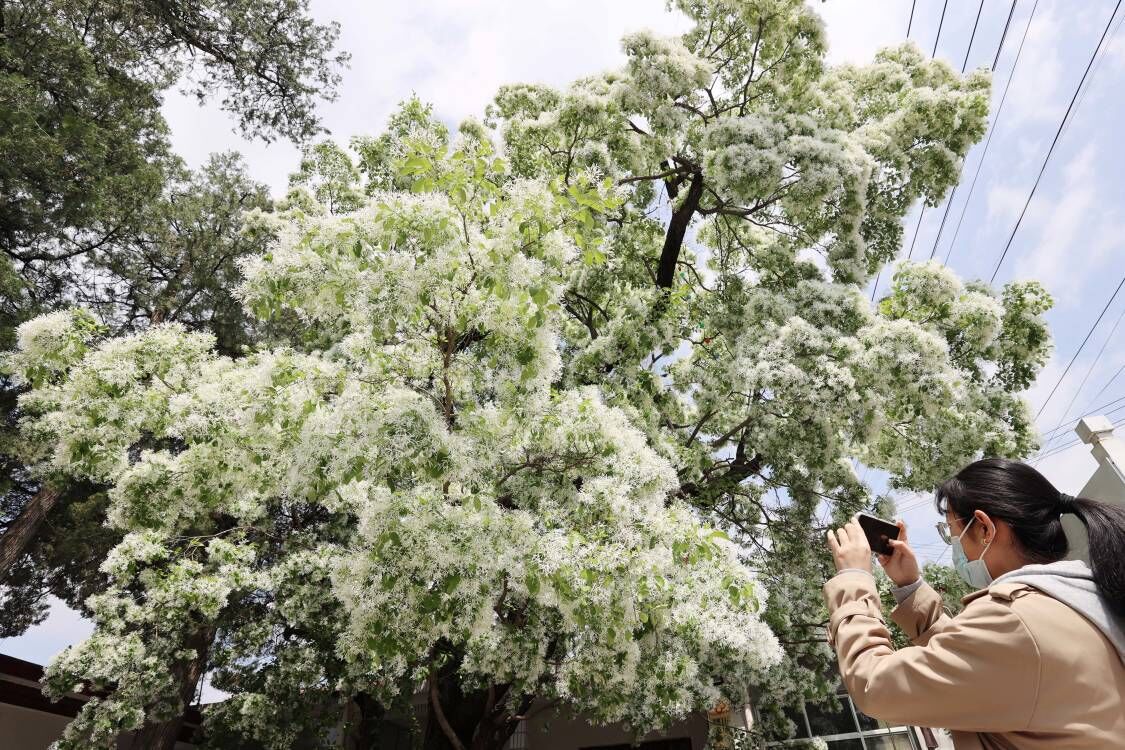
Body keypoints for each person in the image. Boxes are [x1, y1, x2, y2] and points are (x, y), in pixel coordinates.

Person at [823, 458, 1125, 749]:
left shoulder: (1014, 621)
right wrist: (910, 587)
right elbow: (979, 661)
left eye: (951, 533)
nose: (956, 547)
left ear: (983, 528)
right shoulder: (1079, 600)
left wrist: (854, 581)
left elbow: (875, 686)